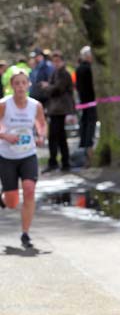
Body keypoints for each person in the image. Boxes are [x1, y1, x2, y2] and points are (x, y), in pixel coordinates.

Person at [0, 70, 47, 248]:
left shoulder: (35, 105)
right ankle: (4, 197)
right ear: (12, 86)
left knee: (29, 189)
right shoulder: (4, 105)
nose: (20, 86)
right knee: (12, 203)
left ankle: (25, 234)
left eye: (23, 83)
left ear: (29, 85)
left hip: (28, 154)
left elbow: (41, 124)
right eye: (17, 83)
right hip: (6, 156)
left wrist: (42, 136)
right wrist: (5, 136)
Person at [43, 50, 75, 172]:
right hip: (55, 109)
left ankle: (56, 162)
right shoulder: (55, 73)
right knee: (60, 137)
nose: (55, 63)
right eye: (54, 61)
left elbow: (57, 89)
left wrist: (47, 87)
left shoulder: (64, 74)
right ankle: (63, 162)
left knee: (55, 136)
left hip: (60, 109)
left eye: (57, 61)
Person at [75, 46, 97, 165]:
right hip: (90, 100)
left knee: (84, 121)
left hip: (83, 101)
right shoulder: (88, 69)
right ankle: (88, 144)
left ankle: (83, 142)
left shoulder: (78, 69)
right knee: (90, 122)